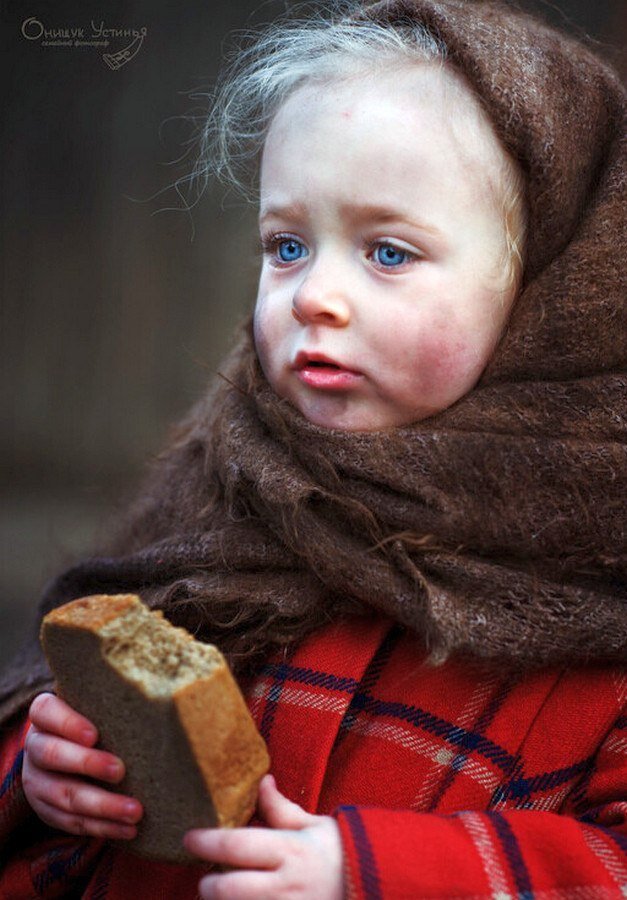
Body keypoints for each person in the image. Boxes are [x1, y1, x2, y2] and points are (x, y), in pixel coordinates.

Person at [0, 0, 625, 897]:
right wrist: (49, 769)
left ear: (553, 292)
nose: (313, 297)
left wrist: (371, 874)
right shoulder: (222, 487)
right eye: (287, 245)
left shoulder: (602, 554)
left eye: (388, 253)